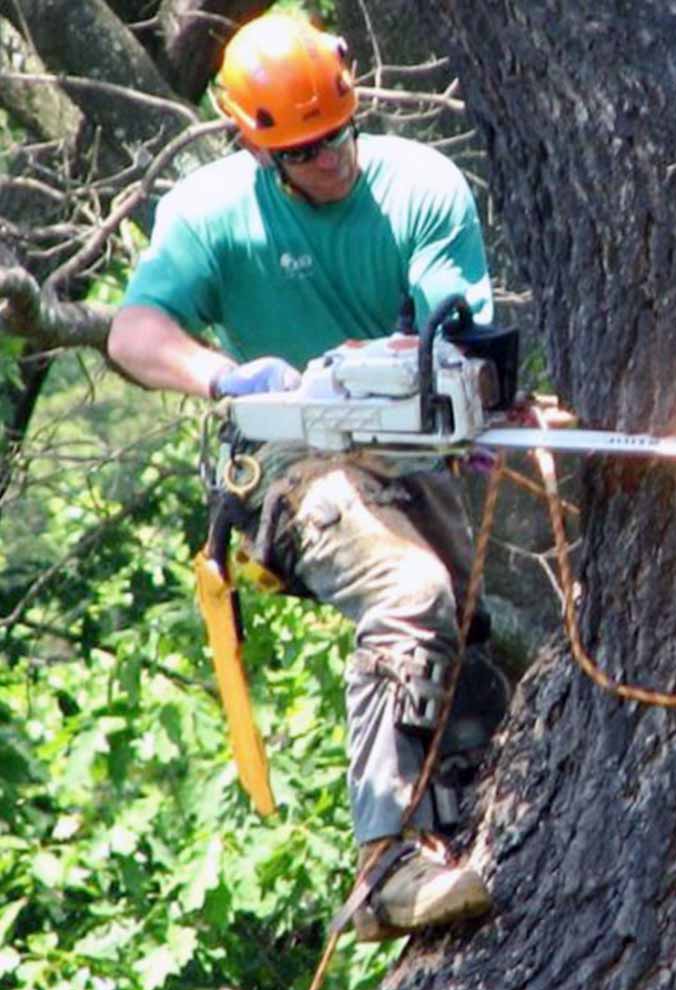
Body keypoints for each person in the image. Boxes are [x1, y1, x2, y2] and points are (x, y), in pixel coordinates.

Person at [107, 11, 503, 942]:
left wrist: (460, 387)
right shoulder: (212, 212)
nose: (328, 163)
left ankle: (461, 821)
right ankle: (385, 865)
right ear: (258, 147)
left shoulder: (421, 187)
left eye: (336, 139)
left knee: (466, 642)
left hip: (405, 451)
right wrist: (223, 374)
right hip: (293, 468)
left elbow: (460, 328)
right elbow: (133, 331)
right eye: (304, 153)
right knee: (408, 591)